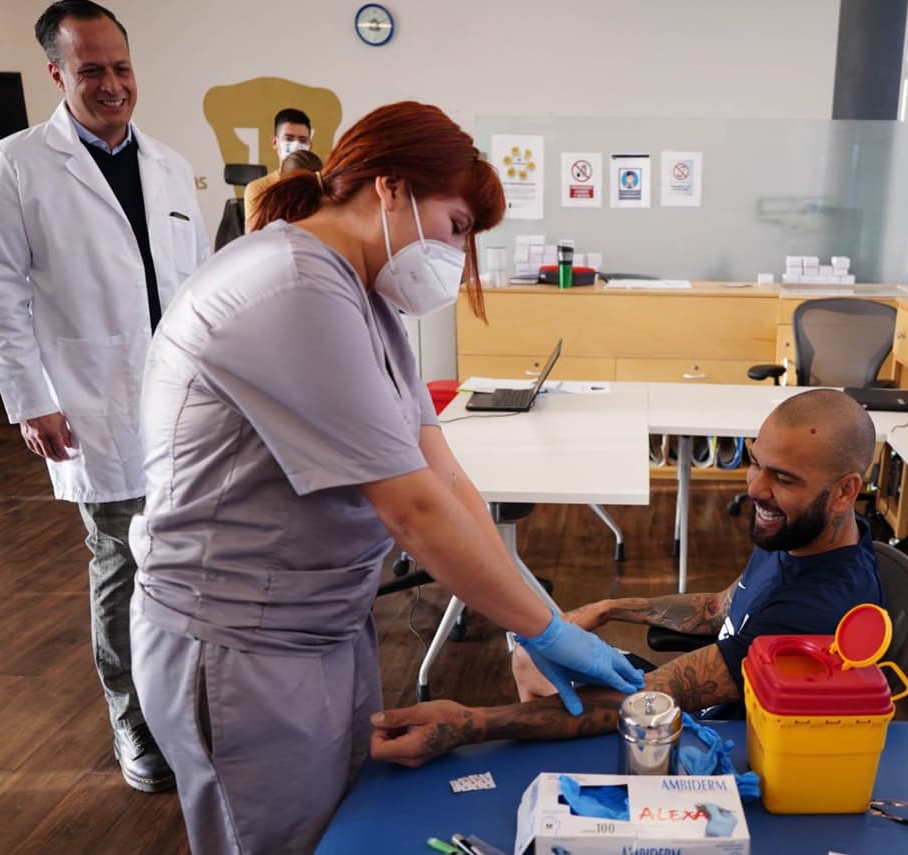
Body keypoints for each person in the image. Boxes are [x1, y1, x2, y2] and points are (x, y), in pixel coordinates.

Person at [127, 100, 644, 854]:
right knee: (278, 840)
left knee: (343, 827)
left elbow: (445, 480)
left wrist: (531, 624)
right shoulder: (290, 286)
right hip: (241, 641)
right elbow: (415, 514)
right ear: (391, 187)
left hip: (322, 625)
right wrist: (542, 627)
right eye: (458, 227)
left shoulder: (362, 297)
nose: (459, 256)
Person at [369, 389, 886, 767]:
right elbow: (722, 607)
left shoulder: (817, 609)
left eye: (783, 478)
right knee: (532, 657)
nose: (755, 487)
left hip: (720, 737)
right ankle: (556, 748)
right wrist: (610, 609)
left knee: (552, 687)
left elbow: (644, 701)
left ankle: (566, 754)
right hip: (697, 698)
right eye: (756, 463)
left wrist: (469, 725)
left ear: (844, 491)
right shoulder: (804, 535)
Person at [0, 0, 208, 793]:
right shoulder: (14, 162)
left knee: (187, 556)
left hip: (183, 401)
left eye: (122, 67)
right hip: (90, 399)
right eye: (92, 71)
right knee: (120, 559)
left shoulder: (172, 166)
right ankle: (131, 717)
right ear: (57, 74)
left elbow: (201, 289)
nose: (113, 85)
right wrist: (27, 397)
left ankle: (183, 702)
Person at [242, 107, 312, 231]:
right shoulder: (259, 189)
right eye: (289, 138)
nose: (296, 145)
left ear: (309, 145)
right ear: (274, 142)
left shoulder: (320, 186)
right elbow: (253, 240)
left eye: (302, 140)